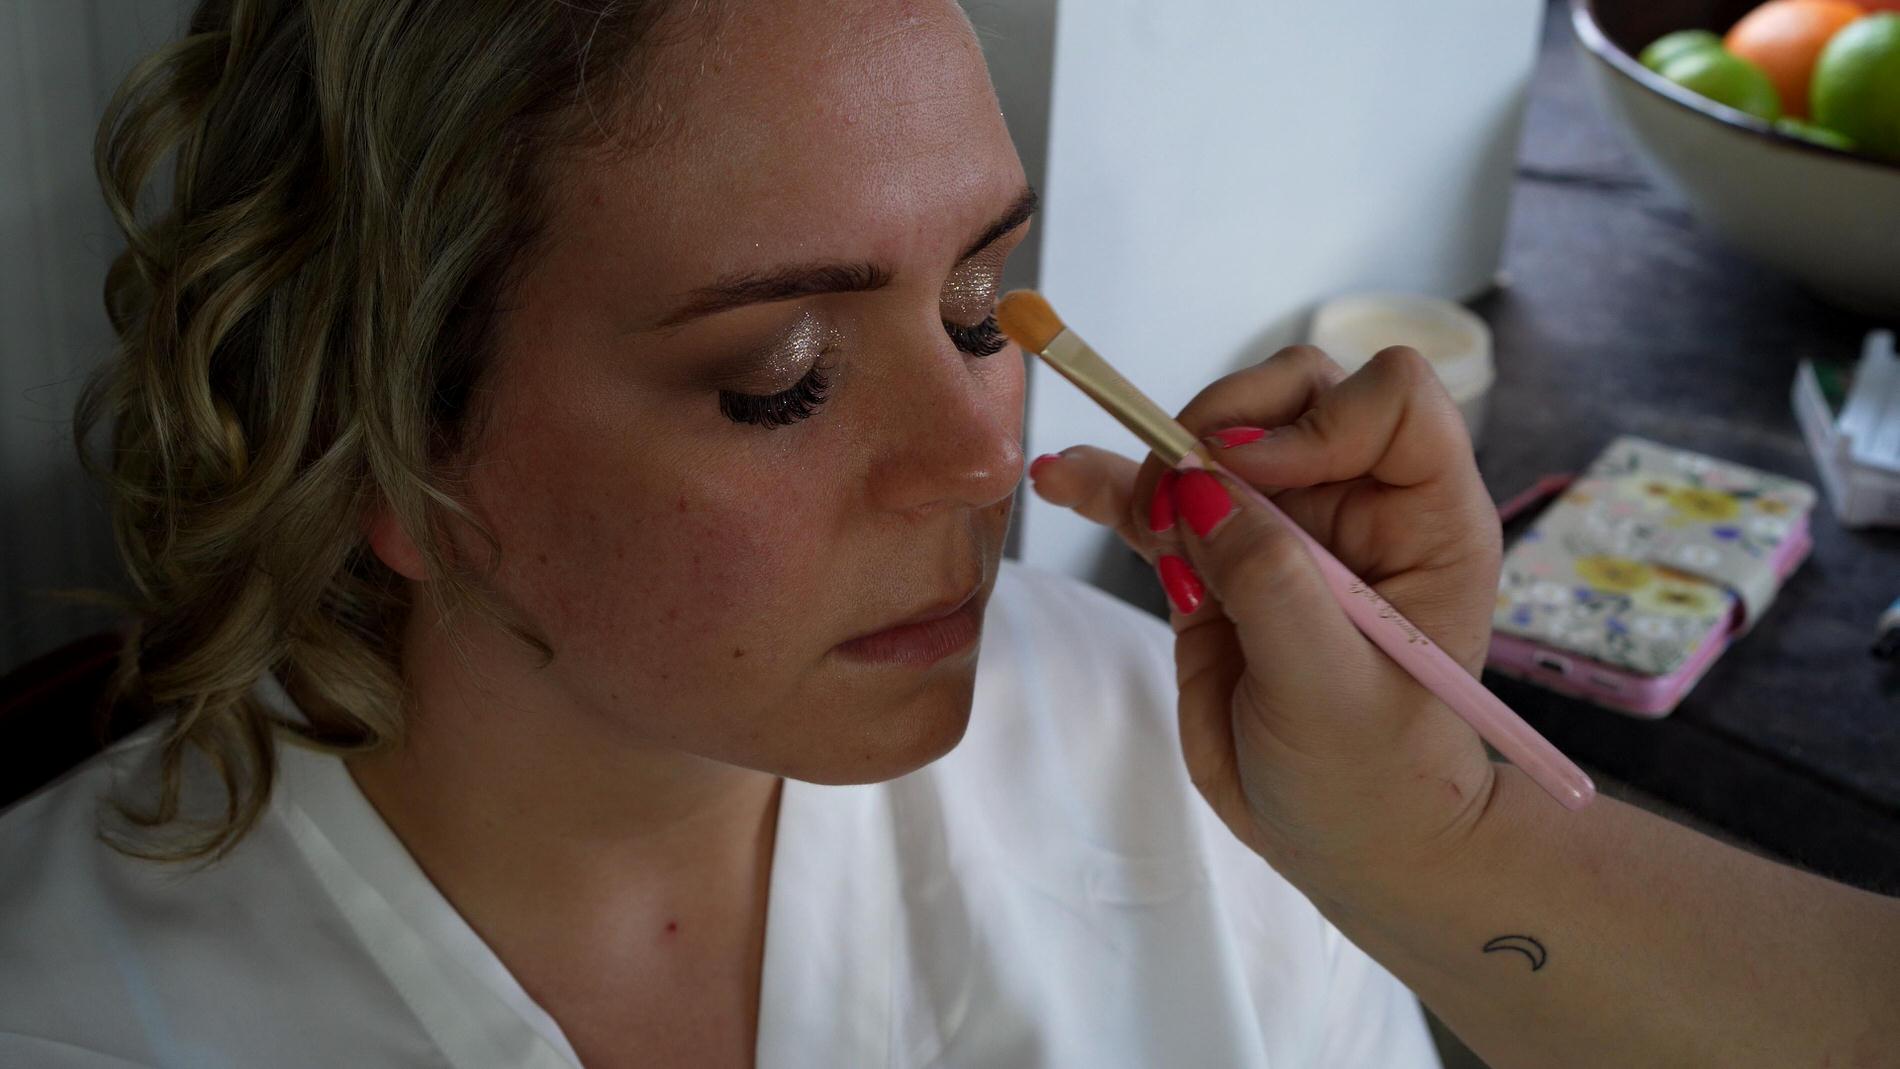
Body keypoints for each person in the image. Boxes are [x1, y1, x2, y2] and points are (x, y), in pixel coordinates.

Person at [0, 2, 1892, 1068]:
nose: (987, 460)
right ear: (387, 463)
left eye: (983, 306)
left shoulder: (1204, 784)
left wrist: (1451, 840)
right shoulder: (79, 1006)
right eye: (785, 377)